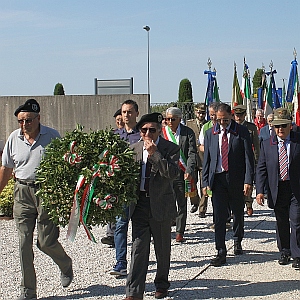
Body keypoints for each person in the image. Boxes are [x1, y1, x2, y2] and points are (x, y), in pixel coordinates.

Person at [0, 99, 73, 300]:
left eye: (29, 120)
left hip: (46, 192)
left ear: (38, 118)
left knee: (46, 242)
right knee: (24, 243)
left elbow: (66, 164)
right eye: (21, 121)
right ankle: (28, 291)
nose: (25, 125)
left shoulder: (52, 136)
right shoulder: (14, 138)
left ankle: (65, 264)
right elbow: (6, 169)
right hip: (22, 192)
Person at [123, 112, 180, 300]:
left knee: (162, 249)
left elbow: (171, 174)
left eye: (152, 130)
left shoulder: (170, 149)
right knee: (139, 249)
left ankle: (162, 284)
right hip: (140, 205)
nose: (148, 133)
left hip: (161, 205)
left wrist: (155, 154)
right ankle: (133, 292)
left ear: (159, 130)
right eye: (144, 130)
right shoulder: (133, 149)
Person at [202, 103, 254, 266]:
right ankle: (220, 250)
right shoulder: (211, 133)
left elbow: (248, 158)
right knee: (219, 215)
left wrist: (248, 180)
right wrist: (205, 181)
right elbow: (207, 160)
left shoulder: (241, 131)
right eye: (218, 120)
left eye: (224, 119)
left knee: (237, 212)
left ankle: (237, 240)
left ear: (231, 115)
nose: (222, 123)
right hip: (218, 180)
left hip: (236, 178)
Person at [256, 108, 300, 269]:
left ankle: (297, 254)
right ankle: (285, 251)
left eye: (283, 125)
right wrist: (260, 190)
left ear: (290, 125)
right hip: (277, 187)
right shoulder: (267, 144)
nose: (280, 129)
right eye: (277, 126)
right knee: (281, 221)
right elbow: (261, 168)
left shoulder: (298, 141)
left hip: (295, 188)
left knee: (296, 221)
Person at [110, 99, 141, 276]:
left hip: (140, 188)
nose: (126, 115)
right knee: (120, 224)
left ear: (137, 113)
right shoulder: (116, 136)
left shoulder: (142, 135)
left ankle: (139, 258)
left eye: (130, 112)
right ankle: (120, 262)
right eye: (124, 112)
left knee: (140, 227)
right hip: (122, 189)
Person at [162, 107, 198, 242]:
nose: (169, 121)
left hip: (181, 173)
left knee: (181, 202)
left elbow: (192, 153)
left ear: (179, 119)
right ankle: (166, 227)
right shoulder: (162, 133)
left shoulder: (187, 132)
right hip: (166, 173)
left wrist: (189, 170)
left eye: (172, 119)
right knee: (166, 202)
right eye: (167, 119)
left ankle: (180, 231)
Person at [101, 108, 126, 247]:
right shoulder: (111, 136)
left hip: (127, 178)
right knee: (111, 204)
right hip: (113, 176)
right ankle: (111, 235)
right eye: (117, 121)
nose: (119, 122)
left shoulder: (132, 135)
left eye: (121, 120)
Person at [233, 105, 259, 216]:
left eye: (241, 115)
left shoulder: (251, 128)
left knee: (248, 181)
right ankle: (235, 207)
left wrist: (257, 159)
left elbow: (256, 145)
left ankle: (248, 203)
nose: (238, 117)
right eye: (237, 115)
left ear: (244, 115)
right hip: (235, 159)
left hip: (248, 158)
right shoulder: (231, 127)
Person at [198, 102, 219, 218]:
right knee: (206, 187)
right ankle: (203, 209)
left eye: (214, 114)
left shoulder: (224, 125)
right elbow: (200, 145)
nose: (212, 117)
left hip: (221, 163)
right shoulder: (205, 127)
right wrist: (210, 150)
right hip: (209, 163)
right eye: (210, 115)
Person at [186, 103, 207, 214]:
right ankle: (195, 202)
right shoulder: (189, 124)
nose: (201, 114)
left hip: (204, 159)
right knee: (191, 183)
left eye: (203, 112)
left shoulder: (208, 124)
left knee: (204, 184)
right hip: (192, 158)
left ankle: (202, 208)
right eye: (199, 112)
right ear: (195, 112)